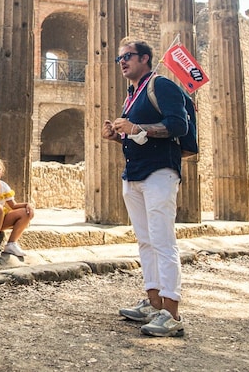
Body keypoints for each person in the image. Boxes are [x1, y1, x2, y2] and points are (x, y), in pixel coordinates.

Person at [102, 38, 188, 338]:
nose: (122, 61)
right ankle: (153, 303)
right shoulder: (131, 95)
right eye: (119, 58)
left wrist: (138, 128)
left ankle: (172, 313)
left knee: (163, 241)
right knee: (145, 241)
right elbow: (137, 135)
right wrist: (117, 135)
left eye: (128, 56)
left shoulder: (161, 86)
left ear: (146, 59)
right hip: (134, 174)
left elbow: (179, 126)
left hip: (160, 172)